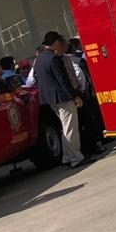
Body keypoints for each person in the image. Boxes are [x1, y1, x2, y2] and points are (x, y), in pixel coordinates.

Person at [33, 31, 88, 169]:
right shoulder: (54, 58)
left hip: (50, 98)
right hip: (62, 97)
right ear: (56, 42)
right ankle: (76, 158)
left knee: (65, 127)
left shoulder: (39, 59)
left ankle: (67, 157)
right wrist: (74, 96)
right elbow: (63, 80)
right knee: (70, 128)